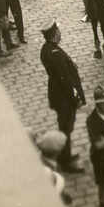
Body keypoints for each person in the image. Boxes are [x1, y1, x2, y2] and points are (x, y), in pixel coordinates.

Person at [40, 20, 86, 173]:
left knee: (65, 126)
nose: (60, 33)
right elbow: (65, 80)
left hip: (57, 94)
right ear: (54, 35)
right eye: (58, 31)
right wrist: (76, 99)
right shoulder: (55, 54)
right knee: (66, 127)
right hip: (64, 99)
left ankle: (64, 155)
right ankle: (65, 161)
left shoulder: (46, 49)